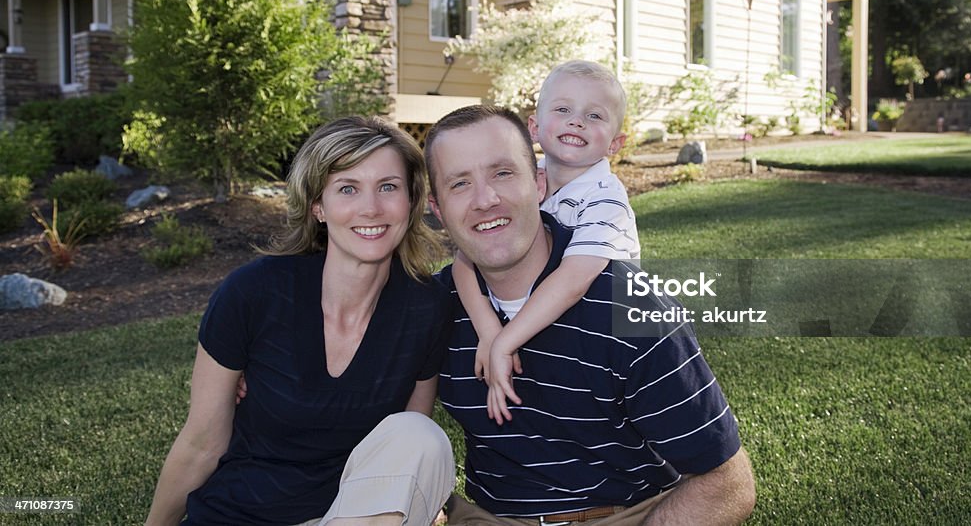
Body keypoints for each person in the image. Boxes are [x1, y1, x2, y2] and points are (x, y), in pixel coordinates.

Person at [425, 105, 755, 524]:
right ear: (437, 208)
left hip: (622, 515)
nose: (485, 200)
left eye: (503, 174)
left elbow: (727, 481)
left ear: (539, 183)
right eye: (460, 184)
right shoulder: (433, 308)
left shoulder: (627, 307)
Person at [145, 116, 455, 526]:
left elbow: (401, 458)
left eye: (388, 187)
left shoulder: (425, 306)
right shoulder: (254, 293)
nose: (371, 208)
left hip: (344, 517)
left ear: (411, 200)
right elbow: (202, 443)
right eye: (348, 188)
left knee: (420, 436)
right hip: (238, 514)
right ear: (317, 206)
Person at [451, 60, 640, 422]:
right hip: (536, 323)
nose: (577, 121)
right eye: (563, 109)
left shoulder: (606, 199)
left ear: (615, 143)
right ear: (534, 129)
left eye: (595, 116)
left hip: (600, 334)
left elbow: (573, 281)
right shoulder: (524, 181)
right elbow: (464, 259)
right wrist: (489, 331)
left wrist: (506, 342)